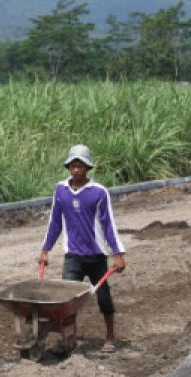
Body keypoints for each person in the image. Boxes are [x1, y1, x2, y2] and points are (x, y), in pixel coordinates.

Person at [38, 144, 127, 354]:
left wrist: (118, 253)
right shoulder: (61, 190)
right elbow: (55, 223)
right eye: (73, 166)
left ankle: (110, 336)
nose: (76, 170)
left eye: (80, 166)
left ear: (87, 168)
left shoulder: (99, 193)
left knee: (103, 297)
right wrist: (45, 249)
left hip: (96, 256)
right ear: (68, 167)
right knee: (68, 300)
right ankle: (68, 341)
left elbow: (109, 225)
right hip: (73, 256)